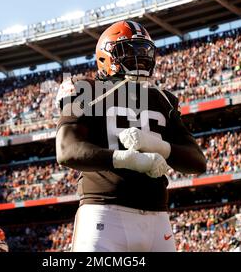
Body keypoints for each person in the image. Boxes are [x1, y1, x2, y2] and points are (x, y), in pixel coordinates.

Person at [56, 20, 206, 252]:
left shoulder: (163, 98)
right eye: (129, 51)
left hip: (157, 217)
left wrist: (158, 146)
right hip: (105, 213)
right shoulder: (84, 88)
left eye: (144, 52)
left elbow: (197, 161)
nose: (140, 59)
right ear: (105, 57)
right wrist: (129, 159)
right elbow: (67, 151)